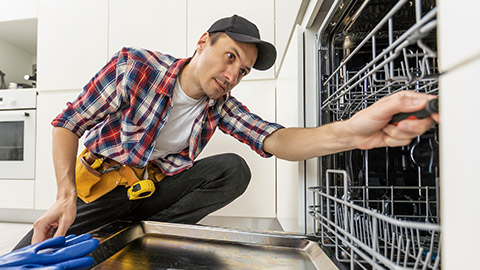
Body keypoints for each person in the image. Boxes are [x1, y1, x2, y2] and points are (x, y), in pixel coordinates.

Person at [14, 14, 438, 249]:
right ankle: (111, 231)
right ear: (203, 42)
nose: (233, 74)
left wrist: (353, 133)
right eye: (229, 56)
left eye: (243, 69)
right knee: (21, 258)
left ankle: (139, 237)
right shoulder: (134, 67)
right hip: (100, 189)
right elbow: (68, 123)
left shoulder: (222, 106)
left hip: (152, 194)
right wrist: (65, 195)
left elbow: (277, 139)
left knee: (233, 169)